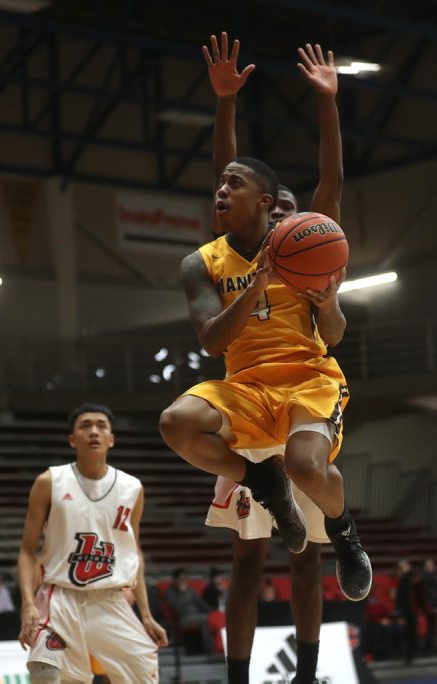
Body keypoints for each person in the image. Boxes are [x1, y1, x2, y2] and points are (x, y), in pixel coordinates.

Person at [159, 33, 372, 684]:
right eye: (226, 187)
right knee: (247, 559)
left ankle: (341, 543)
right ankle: (264, 486)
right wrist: (225, 105)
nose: (227, 192)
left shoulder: (303, 257)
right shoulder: (212, 259)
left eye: (282, 206)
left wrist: (329, 103)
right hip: (245, 398)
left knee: (305, 545)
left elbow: (327, 184)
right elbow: (232, 174)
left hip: (305, 387)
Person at [17, 402, 168, 684]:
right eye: (85, 426)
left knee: (144, 674)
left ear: (111, 439)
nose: (94, 431)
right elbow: (27, 552)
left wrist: (146, 615)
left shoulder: (132, 488)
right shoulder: (49, 481)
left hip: (110, 599)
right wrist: (28, 604)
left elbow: (133, 550)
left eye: (101, 426)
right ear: (73, 439)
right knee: (44, 670)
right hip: (60, 595)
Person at [165, 567, 216, 654]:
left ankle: (218, 647)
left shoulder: (190, 590)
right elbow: (176, 607)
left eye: (185, 579)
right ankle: (210, 650)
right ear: (175, 580)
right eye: (181, 579)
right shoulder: (171, 592)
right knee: (204, 619)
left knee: (211, 618)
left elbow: (201, 603)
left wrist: (214, 612)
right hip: (183, 619)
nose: (184, 581)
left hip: (197, 616)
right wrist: (183, 593)